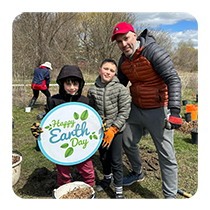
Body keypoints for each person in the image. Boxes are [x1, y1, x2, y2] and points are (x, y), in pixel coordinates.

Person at [111, 22, 182, 199]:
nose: (123, 44)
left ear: (134, 35)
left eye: (126, 38)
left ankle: (170, 196)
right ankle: (137, 172)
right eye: (119, 42)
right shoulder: (123, 60)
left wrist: (174, 112)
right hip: (136, 108)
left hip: (159, 109)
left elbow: (173, 79)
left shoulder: (154, 52)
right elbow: (120, 85)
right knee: (126, 139)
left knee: (166, 155)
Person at [31, 65, 95, 187]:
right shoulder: (53, 101)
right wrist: (39, 132)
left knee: (87, 170)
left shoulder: (85, 101)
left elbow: (91, 121)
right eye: (68, 84)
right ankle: (64, 192)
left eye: (75, 84)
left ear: (80, 85)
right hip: (61, 144)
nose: (72, 88)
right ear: (62, 84)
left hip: (81, 142)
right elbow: (48, 122)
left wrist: (99, 125)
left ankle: (90, 190)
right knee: (63, 173)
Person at [87, 59, 131, 199]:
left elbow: (124, 111)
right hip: (100, 130)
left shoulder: (121, 89)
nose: (108, 72)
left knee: (116, 160)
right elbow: (91, 110)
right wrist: (98, 125)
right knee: (104, 157)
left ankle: (118, 189)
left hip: (116, 131)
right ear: (99, 70)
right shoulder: (92, 90)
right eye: (106, 69)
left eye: (112, 71)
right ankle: (107, 178)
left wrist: (113, 128)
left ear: (115, 74)